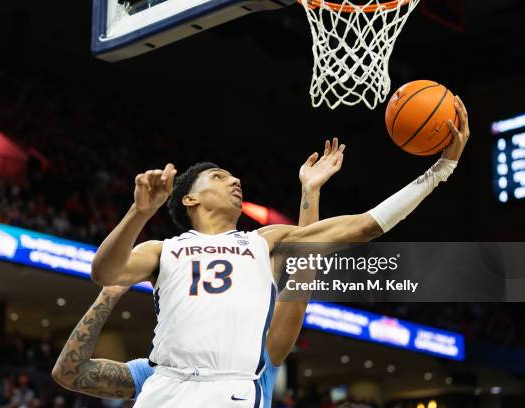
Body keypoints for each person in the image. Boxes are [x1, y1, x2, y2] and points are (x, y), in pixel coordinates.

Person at [90, 99, 470, 408]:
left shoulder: (264, 241)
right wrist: (139, 212)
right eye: (220, 177)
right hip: (165, 388)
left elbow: (365, 226)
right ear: (190, 197)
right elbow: (104, 273)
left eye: (233, 176)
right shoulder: (163, 250)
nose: (235, 180)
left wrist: (442, 169)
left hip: (232, 390)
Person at [53, 141, 346, 406]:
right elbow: (70, 372)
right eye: (219, 176)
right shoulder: (157, 373)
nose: (235, 180)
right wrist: (109, 293)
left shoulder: (258, 362)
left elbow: (300, 282)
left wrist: (311, 191)